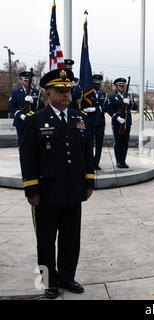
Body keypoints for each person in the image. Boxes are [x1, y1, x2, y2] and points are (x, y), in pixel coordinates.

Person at [19, 68, 95, 299]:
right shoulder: (35, 121)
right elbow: (28, 157)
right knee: (46, 240)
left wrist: (89, 181)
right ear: (48, 94)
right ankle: (49, 281)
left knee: (71, 238)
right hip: (47, 192)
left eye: (68, 91)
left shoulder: (79, 118)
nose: (66, 95)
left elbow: (86, 153)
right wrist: (31, 188)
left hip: (73, 190)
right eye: (61, 91)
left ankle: (67, 277)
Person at [104, 77, 137, 168]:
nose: (122, 87)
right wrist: (116, 117)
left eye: (123, 86)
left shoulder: (129, 96)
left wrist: (129, 102)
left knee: (125, 142)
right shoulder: (112, 97)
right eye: (120, 86)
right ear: (116, 87)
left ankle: (123, 161)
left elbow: (135, 107)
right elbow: (108, 109)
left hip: (127, 121)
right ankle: (118, 161)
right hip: (117, 121)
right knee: (118, 142)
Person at [8, 71, 45, 146]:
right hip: (21, 122)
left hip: (34, 121)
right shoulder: (16, 92)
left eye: (29, 80)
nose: (27, 82)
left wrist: (32, 101)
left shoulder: (36, 92)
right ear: (21, 81)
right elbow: (11, 107)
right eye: (25, 80)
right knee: (22, 144)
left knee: (34, 143)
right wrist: (20, 115)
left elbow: (42, 106)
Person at [81, 74, 107, 170]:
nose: (98, 85)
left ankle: (96, 163)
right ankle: (89, 162)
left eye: (99, 83)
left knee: (99, 144)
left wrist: (95, 109)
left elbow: (106, 107)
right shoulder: (87, 94)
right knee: (90, 143)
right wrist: (97, 109)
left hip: (100, 122)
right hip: (90, 122)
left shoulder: (104, 95)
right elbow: (84, 108)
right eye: (96, 83)